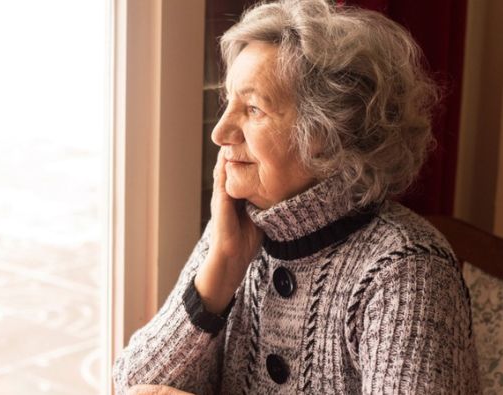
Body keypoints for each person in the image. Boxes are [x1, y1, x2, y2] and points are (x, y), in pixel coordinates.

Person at [112, 0, 480, 394]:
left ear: (326, 132)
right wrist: (220, 269)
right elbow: (133, 385)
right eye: (228, 103)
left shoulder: (406, 270)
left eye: (253, 109)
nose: (220, 132)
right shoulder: (243, 227)